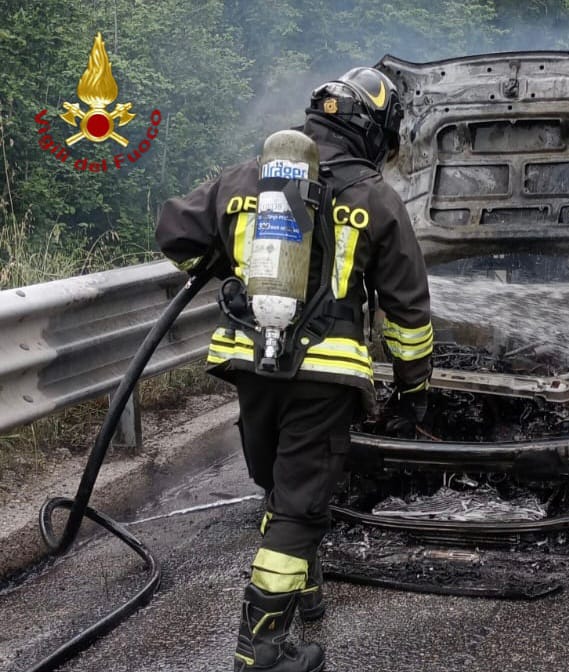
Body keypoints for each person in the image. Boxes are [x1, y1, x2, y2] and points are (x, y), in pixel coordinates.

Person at [155, 66, 433, 672]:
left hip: (250, 364)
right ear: (372, 130)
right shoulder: (375, 199)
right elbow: (407, 315)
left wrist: (229, 272)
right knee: (301, 506)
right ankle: (260, 651)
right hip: (324, 377)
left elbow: (175, 232)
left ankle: (306, 594)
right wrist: (413, 392)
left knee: (281, 488)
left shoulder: (249, 177)